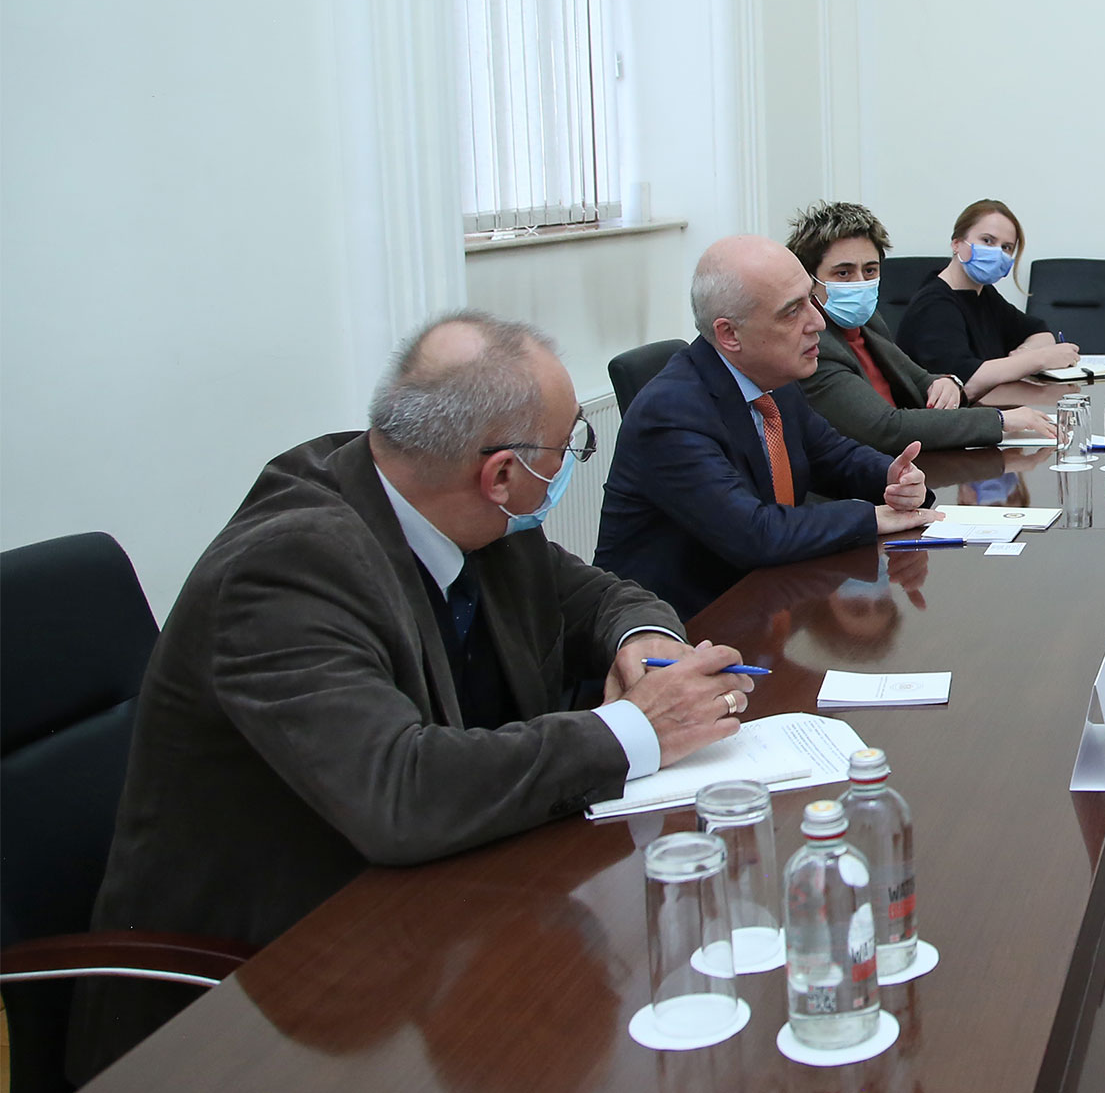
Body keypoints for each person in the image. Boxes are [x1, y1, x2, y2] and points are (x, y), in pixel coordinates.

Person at [73, 313, 754, 1076]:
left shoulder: (458, 504)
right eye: (569, 449)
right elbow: (399, 792)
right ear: (501, 475)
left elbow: (602, 598)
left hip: (436, 909)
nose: (570, 462)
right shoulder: (286, 568)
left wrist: (644, 643)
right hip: (257, 999)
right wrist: (635, 729)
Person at [595, 236, 941, 618]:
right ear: (729, 334)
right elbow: (754, 533)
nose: (818, 321)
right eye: (792, 311)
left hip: (761, 601)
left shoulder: (771, 378)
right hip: (681, 627)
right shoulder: (669, 414)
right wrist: (872, 517)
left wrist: (893, 478)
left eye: (810, 298)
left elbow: (833, 455)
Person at [785, 199, 1056, 453]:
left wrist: (947, 382)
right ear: (809, 279)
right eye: (843, 273)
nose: (860, 283)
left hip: (911, 462)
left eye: (870, 270)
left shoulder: (868, 321)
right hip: (867, 473)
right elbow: (887, 428)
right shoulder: (814, 345)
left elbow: (919, 378)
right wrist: (999, 420)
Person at [894, 198, 1081, 397]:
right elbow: (964, 382)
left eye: (1006, 247)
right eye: (987, 241)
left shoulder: (983, 294)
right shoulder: (934, 304)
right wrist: (1039, 359)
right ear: (956, 243)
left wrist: (1025, 353)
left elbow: (1040, 332)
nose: (996, 253)